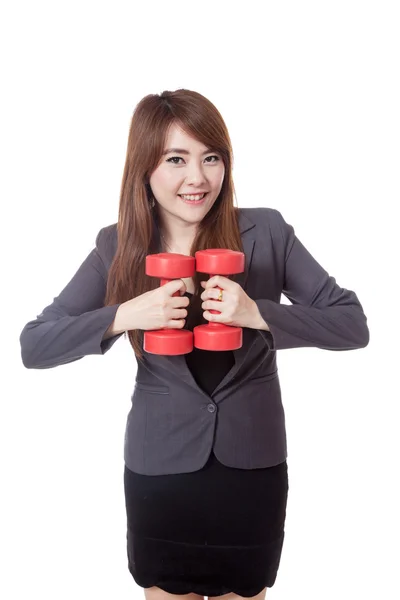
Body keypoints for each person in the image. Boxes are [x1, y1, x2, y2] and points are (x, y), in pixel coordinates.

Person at [19, 89, 370, 600]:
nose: (197, 178)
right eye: (176, 159)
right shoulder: (117, 246)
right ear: (145, 168)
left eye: (211, 158)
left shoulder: (266, 231)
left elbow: (352, 324)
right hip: (160, 473)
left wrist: (259, 314)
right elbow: (35, 345)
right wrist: (123, 315)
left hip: (251, 469)